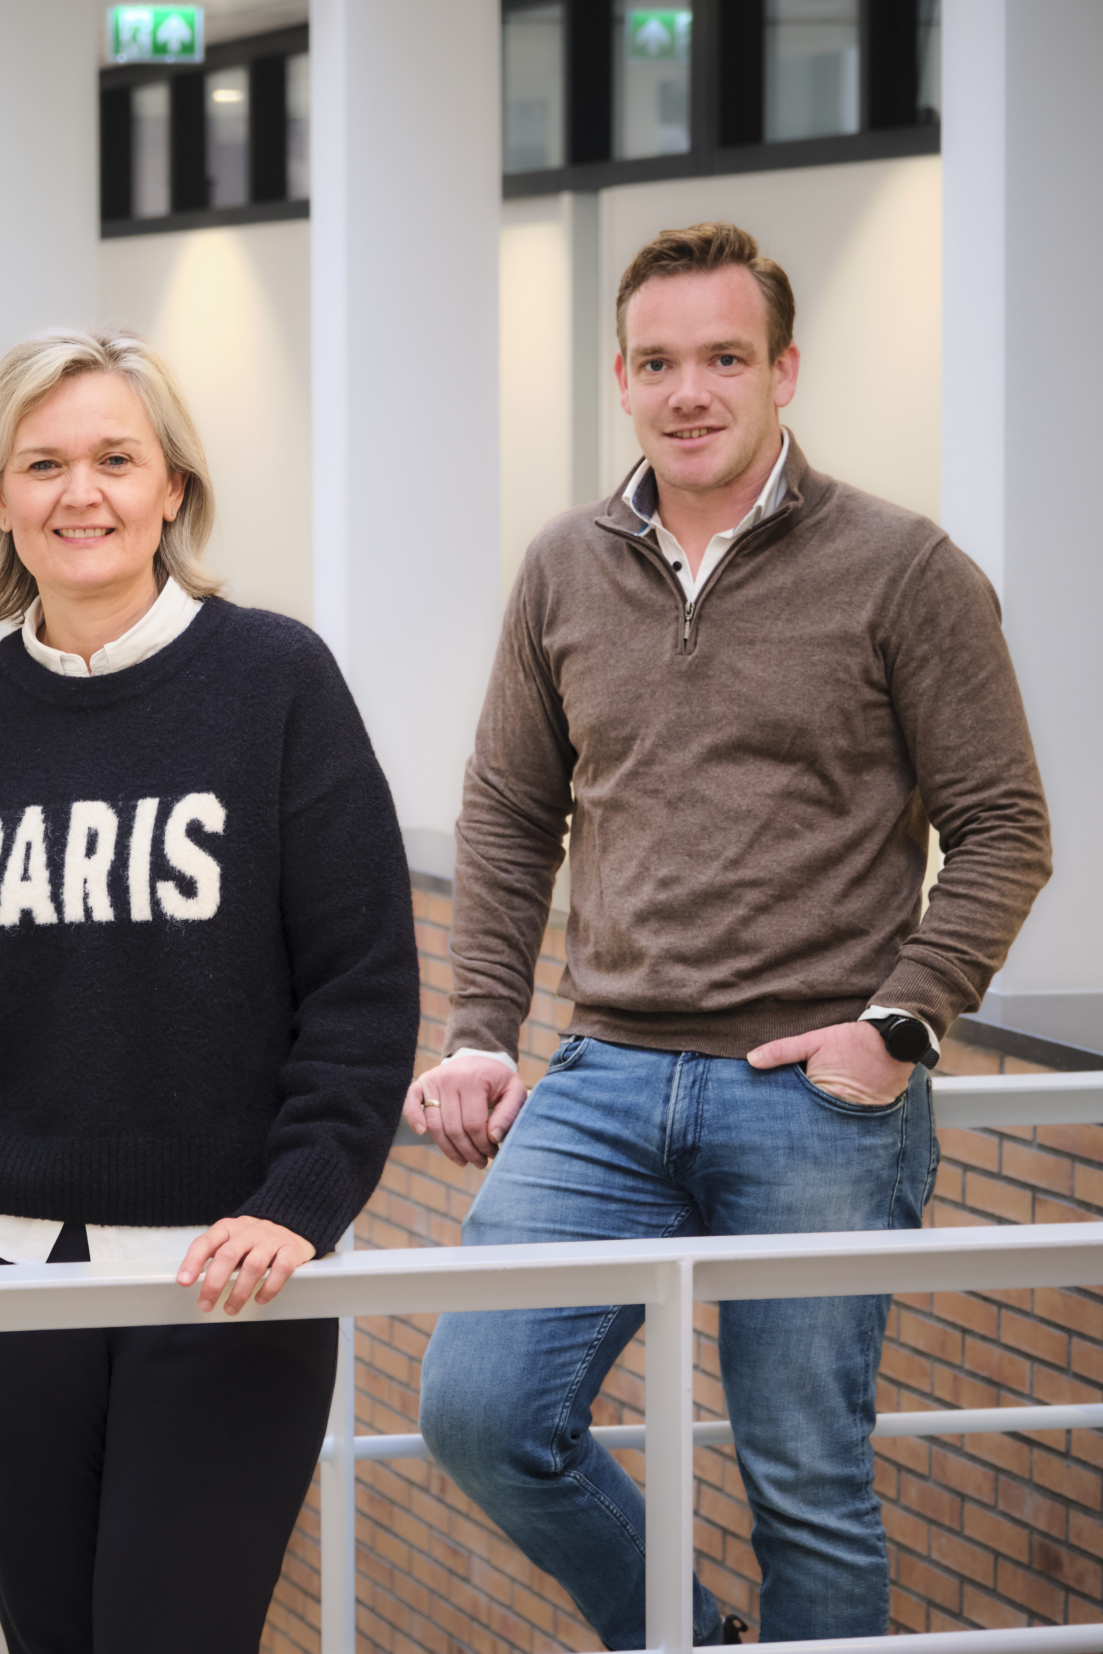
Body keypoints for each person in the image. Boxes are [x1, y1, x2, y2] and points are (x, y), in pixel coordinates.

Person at [410, 222, 1052, 1645]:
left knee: (808, 1485)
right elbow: (513, 815)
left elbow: (1005, 825)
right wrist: (477, 1032)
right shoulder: (562, 567)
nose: (688, 391)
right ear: (622, 379)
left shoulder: (904, 568)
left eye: (723, 358)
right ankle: (687, 1642)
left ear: (785, 371)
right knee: (478, 1412)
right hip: (605, 1078)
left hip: (816, 1096)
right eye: (656, 362)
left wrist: (903, 1027)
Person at [0, 326, 420, 1654]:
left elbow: (363, 984)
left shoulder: (278, 682)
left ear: (175, 488)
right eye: (42, 463)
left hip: (224, 1286)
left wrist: (302, 1201)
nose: (79, 493)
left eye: (116, 457)